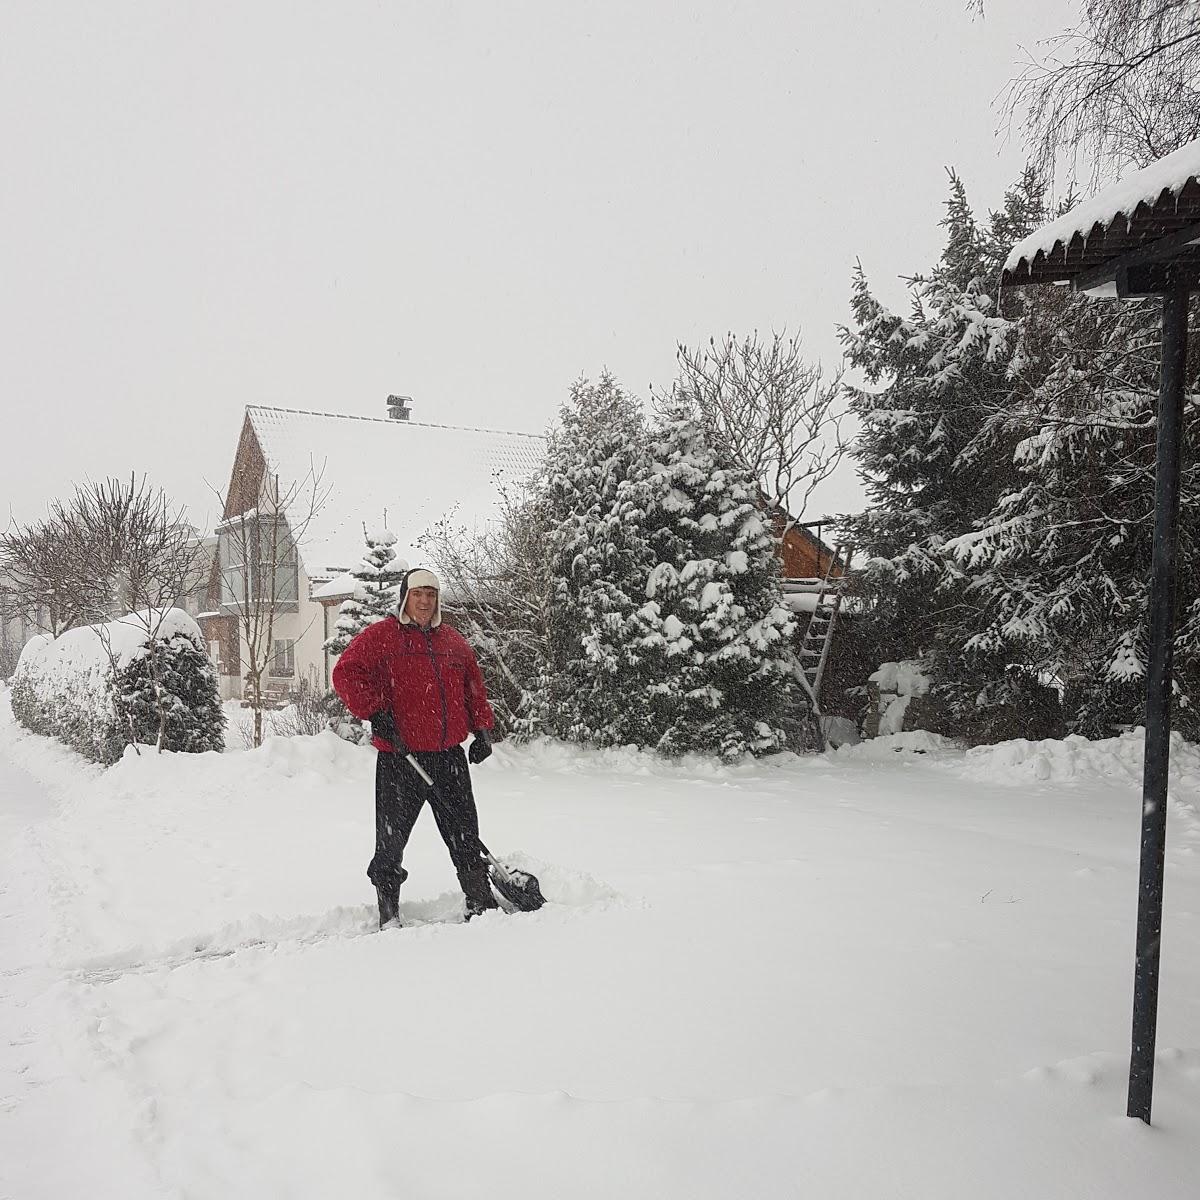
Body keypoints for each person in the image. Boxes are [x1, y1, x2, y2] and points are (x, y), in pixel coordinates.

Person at [332, 567, 498, 928]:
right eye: (418, 593)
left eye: (431, 595)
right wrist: (376, 711)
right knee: (390, 843)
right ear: (405, 596)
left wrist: (482, 730)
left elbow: (473, 687)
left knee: (465, 834)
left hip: (448, 757)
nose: (425, 601)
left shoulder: (452, 642)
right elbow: (345, 673)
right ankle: (389, 912)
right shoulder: (381, 637)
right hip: (400, 758)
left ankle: (480, 900)